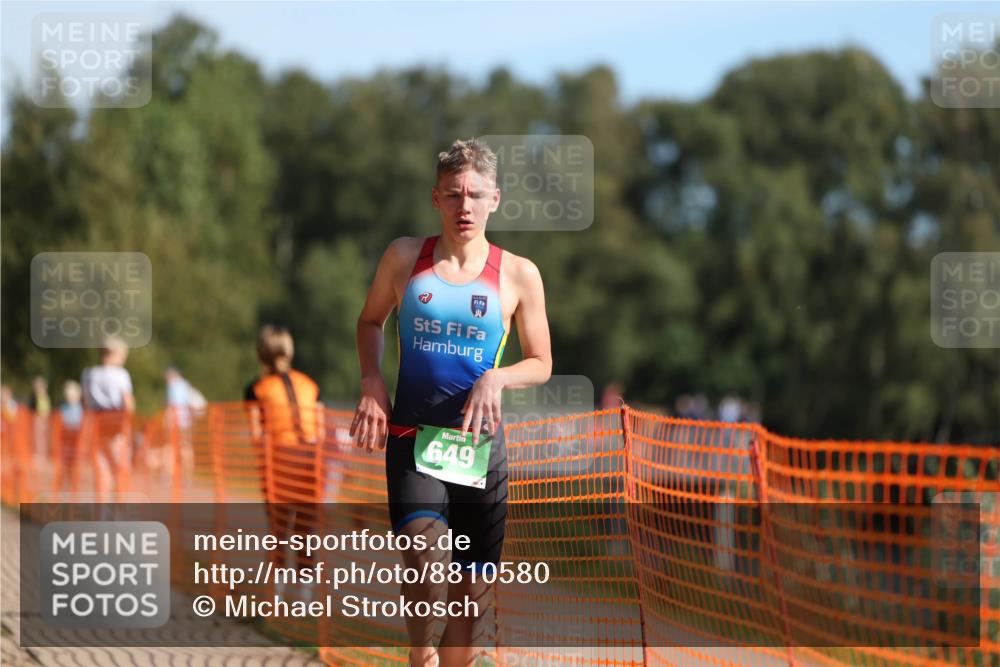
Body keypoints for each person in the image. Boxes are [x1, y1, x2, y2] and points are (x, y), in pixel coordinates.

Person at [352, 138, 552, 667]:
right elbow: (370, 321)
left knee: (471, 600)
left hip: (479, 449)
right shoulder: (403, 258)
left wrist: (498, 380)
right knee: (424, 558)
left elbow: (541, 362)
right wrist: (372, 379)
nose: (465, 206)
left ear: (495, 200)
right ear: (435, 198)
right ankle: (421, 656)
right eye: (454, 194)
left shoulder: (518, 274)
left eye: (475, 195)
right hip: (413, 438)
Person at [244, 325, 324, 592]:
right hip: (311, 460)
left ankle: (275, 596)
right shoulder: (310, 384)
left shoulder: (257, 389)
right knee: (305, 530)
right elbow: (321, 427)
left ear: (260, 354)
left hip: (278, 460)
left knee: (279, 530)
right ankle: (305, 598)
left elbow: (257, 435)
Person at [81, 336, 135, 497]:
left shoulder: (90, 374)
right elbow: (128, 403)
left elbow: (85, 402)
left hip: (97, 423)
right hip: (117, 422)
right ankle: (119, 509)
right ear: (116, 354)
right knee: (120, 466)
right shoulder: (121, 375)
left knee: (101, 467)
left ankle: (103, 512)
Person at [53, 380, 84, 491]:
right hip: (64, 441)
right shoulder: (63, 408)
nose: (70, 398)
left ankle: (73, 483)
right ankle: (64, 483)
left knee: (74, 465)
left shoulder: (80, 409)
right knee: (64, 464)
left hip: (75, 441)